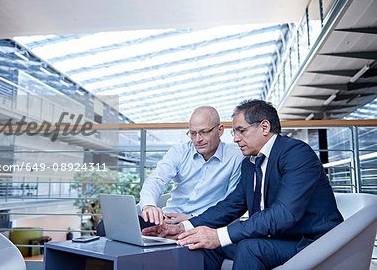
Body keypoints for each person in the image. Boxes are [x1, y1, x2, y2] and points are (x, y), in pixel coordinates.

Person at [143, 99, 343, 269]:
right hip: (275, 237)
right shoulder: (250, 162)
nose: (236, 139)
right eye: (234, 133)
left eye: (241, 131)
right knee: (201, 243)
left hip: (311, 242)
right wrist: (185, 228)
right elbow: (231, 205)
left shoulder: (296, 153)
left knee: (250, 247)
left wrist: (220, 235)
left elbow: (284, 214)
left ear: (264, 127)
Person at [96, 106, 244, 236]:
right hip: (168, 220)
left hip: (202, 225)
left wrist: (191, 220)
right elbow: (157, 180)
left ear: (220, 130)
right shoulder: (179, 151)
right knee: (105, 226)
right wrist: (149, 206)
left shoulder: (236, 157)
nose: (198, 139)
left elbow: (230, 203)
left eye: (204, 132)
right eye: (193, 133)